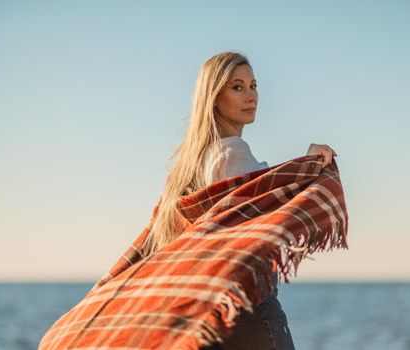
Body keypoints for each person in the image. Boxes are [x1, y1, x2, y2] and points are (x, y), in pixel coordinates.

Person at [140, 51, 337, 350]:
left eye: (254, 85)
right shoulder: (232, 152)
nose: (251, 95)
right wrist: (310, 163)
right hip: (252, 311)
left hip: (217, 315)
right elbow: (270, 201)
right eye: (237, 87)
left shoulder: (194, 162)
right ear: (214, 97)